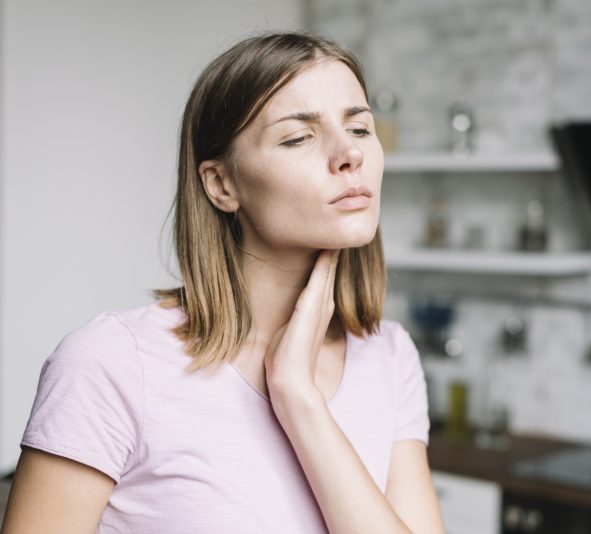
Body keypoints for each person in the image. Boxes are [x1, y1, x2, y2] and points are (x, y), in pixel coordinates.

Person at [1, 32, 446, 534]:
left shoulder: (389, 355)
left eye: (361, 128)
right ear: (222, 185)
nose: (350, 154)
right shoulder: (110, 364)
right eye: (299, 137)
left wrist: (299, 397)